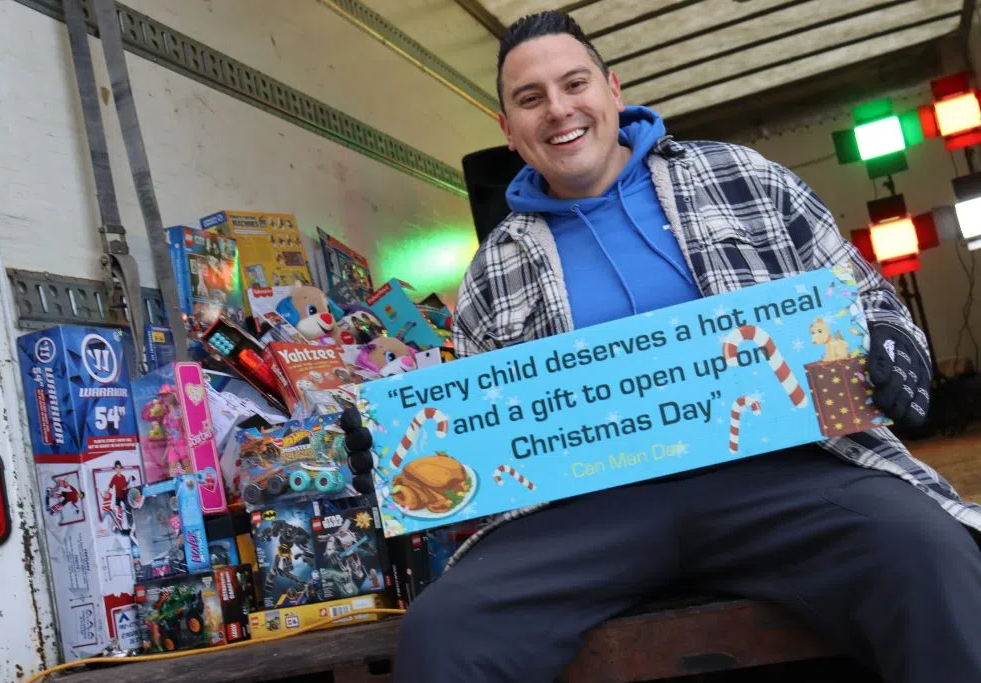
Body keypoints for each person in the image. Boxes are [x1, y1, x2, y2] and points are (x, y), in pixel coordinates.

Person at [342, 11, 981, 683]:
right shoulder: (490, 272)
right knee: (443, 633)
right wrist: (398, 453)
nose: (558, 109)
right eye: (530, 99)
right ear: (508, 129)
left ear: (613, 90)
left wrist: (891, 347)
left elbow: (868, 301)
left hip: (782, 473)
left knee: (925, 550)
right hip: (590, 514)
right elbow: (483, 445)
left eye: (574, 83)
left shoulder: (744, 177)